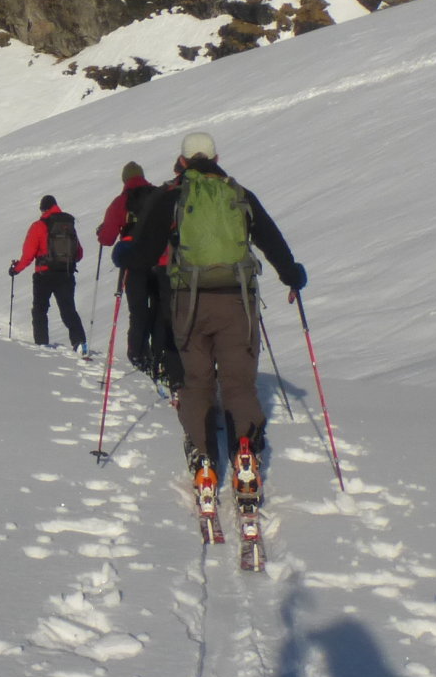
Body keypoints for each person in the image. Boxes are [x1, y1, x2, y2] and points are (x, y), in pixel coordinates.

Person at [127, 131, 305, 502]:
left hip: (189, 303)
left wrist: (125, 258)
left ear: (183, 161)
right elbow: (272, 241)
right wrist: (292, 276)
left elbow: (144, 253)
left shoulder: (172, 195)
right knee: (239, 384)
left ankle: (204, 460)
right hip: (237, 302)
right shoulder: (239, 195)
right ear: (216, 157)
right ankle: (246, 452)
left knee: (197, 382)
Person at [98, 161, 171, 380]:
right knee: (161, 311)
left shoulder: (121, 202)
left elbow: (107, 238)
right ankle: (161, 357)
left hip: (135, 264)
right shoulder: (160, 195)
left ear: (125, 180)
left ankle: (139, 356)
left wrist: (102, 232)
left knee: (138, 311)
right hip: (162, 261)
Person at [9, 194, 86, 351]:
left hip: (44, 274)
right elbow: (79, 254)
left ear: (43, 209)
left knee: (40, 310)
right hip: (66, 274)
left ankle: (42, 344)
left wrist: (16, 269)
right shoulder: (68, 224)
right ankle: (80, 343)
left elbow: (28, 254)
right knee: (68, 309)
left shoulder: (39, 226)